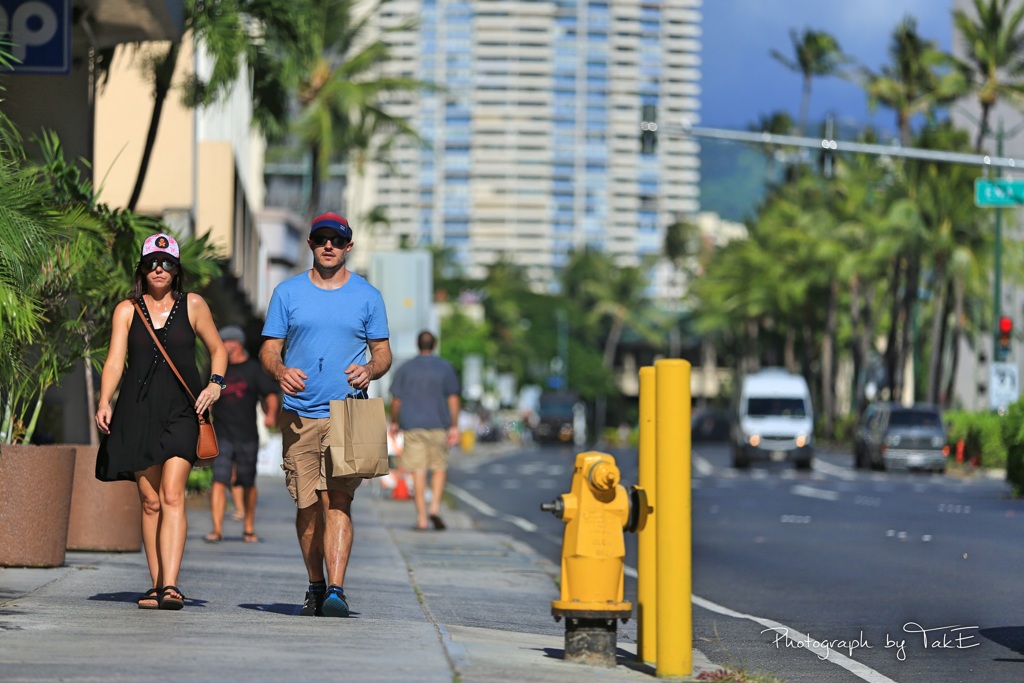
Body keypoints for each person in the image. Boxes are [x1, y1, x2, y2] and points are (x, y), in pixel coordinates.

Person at [259, 212, 392, 618]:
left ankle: (336, 588)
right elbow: (268, 350)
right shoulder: (287, 293)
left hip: (348, 413)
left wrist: (370, 369)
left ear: (348, 246)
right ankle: (315, 585)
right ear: (311, 245)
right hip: (300, 413)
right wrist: (280, 371)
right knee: (306, 506)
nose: (329, 245)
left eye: (337, 240)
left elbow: (383, 352)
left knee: (338, 501)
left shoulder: (368, 296)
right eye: (321, 239)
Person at [95, 232, 227, 611]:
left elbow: (218, 350)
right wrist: (105, 400)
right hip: (136, 413)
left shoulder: (194, 305)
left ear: (177, 270)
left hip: (184, 411)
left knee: (171, 494)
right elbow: (115, 361)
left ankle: (171, 585)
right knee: (149, 501)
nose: (159, 269)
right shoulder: (126, 310)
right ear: (142, 267)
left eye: (167, 263)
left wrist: (215, 384)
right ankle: (156, 584)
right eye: (152, 262)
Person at [204, 325, 281, 544]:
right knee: (219, 480)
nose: (222, 346)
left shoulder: (253, 369)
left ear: (236, 344)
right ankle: (216, 529)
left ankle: (249, 527)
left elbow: (270, 394)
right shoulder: (217, 368)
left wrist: (271, 414)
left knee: (247, 482)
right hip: (222, 434)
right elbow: (206, 393)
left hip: (247, 435)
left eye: (225, 342)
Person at [389, 330, 461, 531]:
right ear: (435, 345)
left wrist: (394, 422)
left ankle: (421, 518)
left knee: (418, 471)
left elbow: (396, 400)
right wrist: (454, 425)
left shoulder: (405, 368)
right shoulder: (445, 368)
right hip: (439, 425)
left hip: (413, 426)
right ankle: (435, 507)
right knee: (439, 467)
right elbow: (453, 399)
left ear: (417, 345)